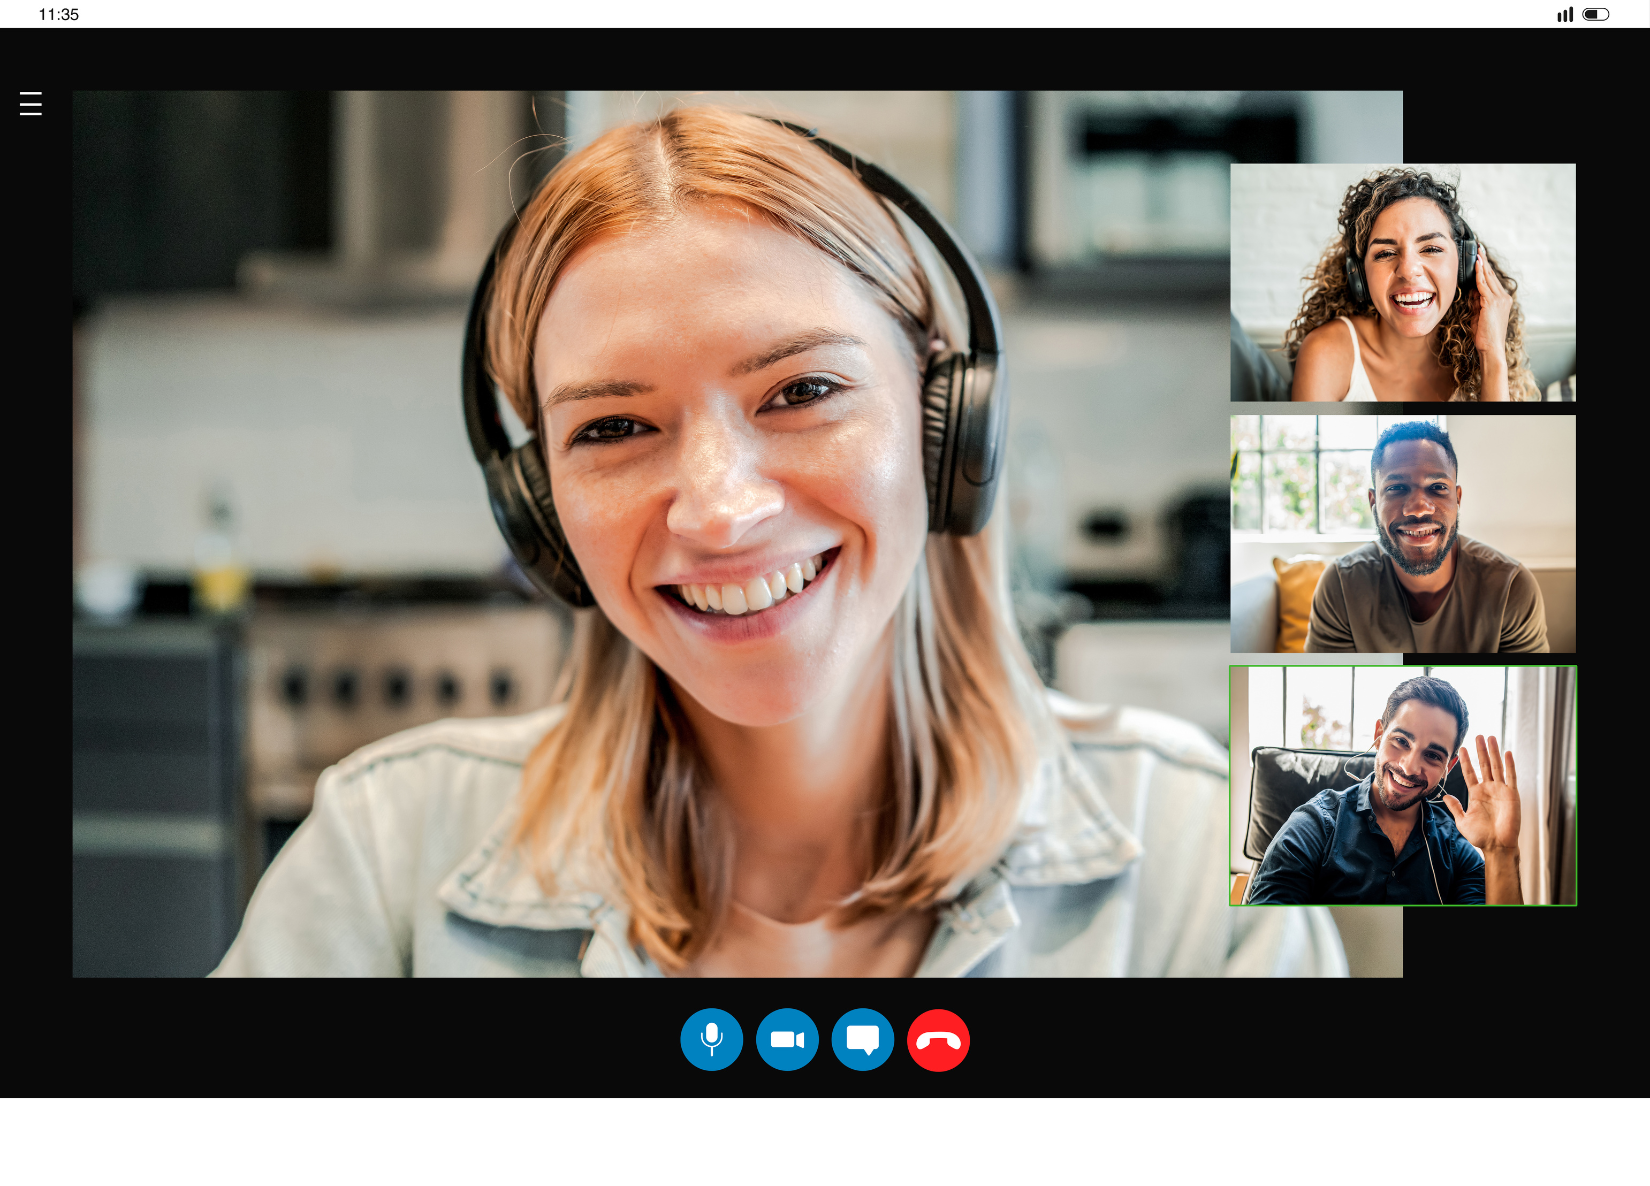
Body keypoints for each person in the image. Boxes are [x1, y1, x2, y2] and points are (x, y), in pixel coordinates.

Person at [214, 107, 1342, 977]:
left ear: (945, 424)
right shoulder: (382, 855)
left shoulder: (1198, 849)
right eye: (611, 427)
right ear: (537, 504)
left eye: (801, 389)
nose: (718, 511)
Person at [1246, 676, 1523, 905]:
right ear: (1379, 735)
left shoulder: (1455, 848)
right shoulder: (1316, 825)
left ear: (1448, 766)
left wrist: (1501, 851)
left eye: (1433, 756)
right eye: (1401, 741)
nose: (1410, 766)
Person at [1286, 169, 1538, 402]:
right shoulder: (1326, 352)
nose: (1408, 271)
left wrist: (1492, 356)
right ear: (1360, 275)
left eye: (1430, 249)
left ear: (1464, 264)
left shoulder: (1485, 348)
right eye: (1385, 253)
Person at [1306, 420, 1549, 653]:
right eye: (1396, 488)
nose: (1419, 508)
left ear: (1457, 498)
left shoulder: (1511, 588)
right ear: (1373, 502)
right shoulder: (1340, 586)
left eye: (1438, 488)